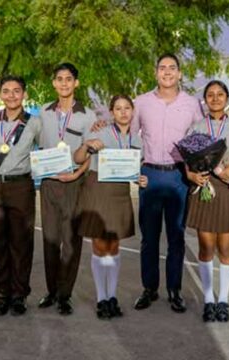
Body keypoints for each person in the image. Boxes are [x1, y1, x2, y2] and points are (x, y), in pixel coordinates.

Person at [131, 53, 204, 313]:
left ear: (180, 73)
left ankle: (175, 290)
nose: (167, 72)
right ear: (155, 73)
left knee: (176, 236)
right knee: (149, 238)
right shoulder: (140, 102)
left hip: (178, 177)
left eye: (172, 68)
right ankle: (149, 288)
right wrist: (132, 170)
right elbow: (130, 139)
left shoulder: (192, 103)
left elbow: (200, 139)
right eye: (162, 68)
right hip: (149, 174)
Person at [73, 95, 148, 319]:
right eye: (118, 108)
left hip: (119, 192)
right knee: (99, 243)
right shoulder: (99, 131)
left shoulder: (137, 140)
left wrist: (139, 179)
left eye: (127, 108)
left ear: (132, 111)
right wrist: (86, 145)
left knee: (114, 245)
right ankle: (101, 298)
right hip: (97, 188)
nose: (123, 112)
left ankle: (112, 296)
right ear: (111, 112)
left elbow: (134, 170)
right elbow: (78, 159)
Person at [185, 80, 229, 322]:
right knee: (206, 247)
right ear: (205, 99)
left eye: (219, 94)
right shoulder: (196, 127)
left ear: (226, 97)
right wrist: (190, 174)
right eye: (210, 95)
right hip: (204, 190)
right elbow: (187, 158)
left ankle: (223, 300)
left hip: (227, 190)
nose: (215, 98)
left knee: (226, 247)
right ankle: (209, 299)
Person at [36, 63, 96, 315]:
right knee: (50, 239)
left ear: (76, 83)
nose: (64, 83)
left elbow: (91, 152)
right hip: (49, 183)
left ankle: (65, 294)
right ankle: (51, 291)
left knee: (71, 241)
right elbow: (38, 146)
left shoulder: (87, 115)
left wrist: (76, 174)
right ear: (53, 83)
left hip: (74, 183)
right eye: (59, 79)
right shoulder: (43, 112)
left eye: (68, 79)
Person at [0, 75, 43, 317]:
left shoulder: (34, 123)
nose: (11, 95)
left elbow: (45, 148)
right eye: (6, 91)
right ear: (0, 94)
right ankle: (3, 295)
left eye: (16, 91)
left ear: (24, 94)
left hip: (22, 187)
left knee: (22, 243)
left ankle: (19, 295)